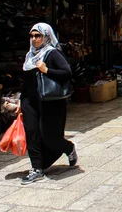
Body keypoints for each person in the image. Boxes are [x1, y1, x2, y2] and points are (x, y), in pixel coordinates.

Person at [17, 23, 77, 185]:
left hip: (50, 101)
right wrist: (20, 100)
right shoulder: (30, 56)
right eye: (32, 36)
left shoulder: (52, 54)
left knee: (51, 137)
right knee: (32, 133)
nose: (34, 39)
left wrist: (46, 70)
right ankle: (36, 169)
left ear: (46, 36)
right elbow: (27, 81)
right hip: (30, 101)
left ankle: (68, 148)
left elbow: (67, 72)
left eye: (38, 36)